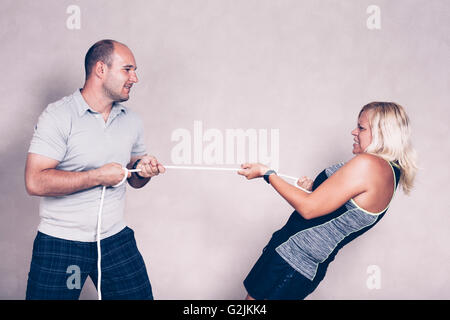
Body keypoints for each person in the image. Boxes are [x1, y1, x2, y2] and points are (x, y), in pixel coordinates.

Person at [25, 39, 165, 300]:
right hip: (61, 242)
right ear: (101, 69)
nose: (135, 77)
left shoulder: (131, 120)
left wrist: (141, 170)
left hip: (114, 240)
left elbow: (134, 179)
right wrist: (96, 176)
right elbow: (35, 181)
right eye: (127, 69)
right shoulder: (58, 116)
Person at [238, 102, 417, 300]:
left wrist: (267, 174)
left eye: (361, 127)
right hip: (297, 261)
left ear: (383, 133)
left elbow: (308, 209)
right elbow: (344, 207)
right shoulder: (389, 171)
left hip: (293, 261)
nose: (353, 132)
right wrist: (316, 189)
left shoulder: (369, 164)